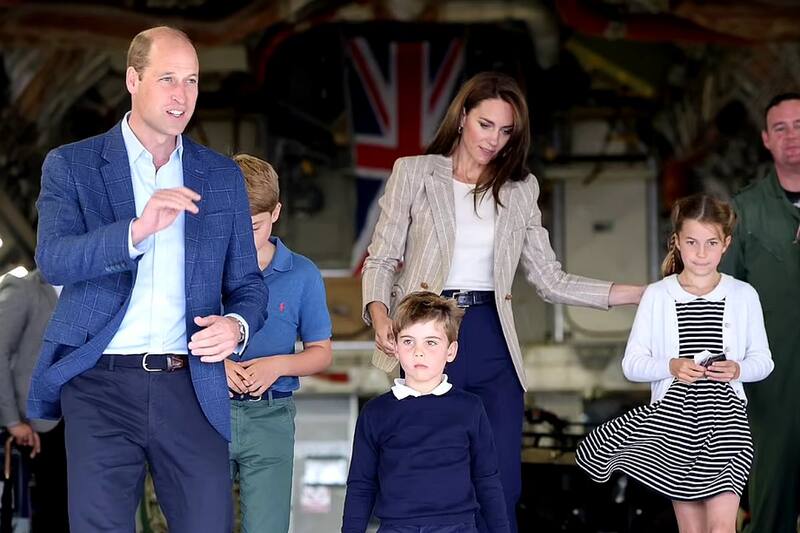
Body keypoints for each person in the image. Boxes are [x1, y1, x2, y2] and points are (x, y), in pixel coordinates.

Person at [360, 71, 644, 531]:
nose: (494, 139)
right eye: (485, 124)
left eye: (506, 130)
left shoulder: (518, 189)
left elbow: (550, 279)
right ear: (462, 117)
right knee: (428, 478)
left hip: (493, 337)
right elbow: (382, 257)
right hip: (428, 336)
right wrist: (378, 315)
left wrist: (640, 295)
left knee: (500, 484)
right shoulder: (413, 172)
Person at [26, 26, 268, 532]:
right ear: (133, 80)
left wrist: (237, 326)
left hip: (191, 384)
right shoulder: (73, 165)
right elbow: (54, 260)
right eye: (167, 79)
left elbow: (248, 284)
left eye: (192, 81)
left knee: (208, 525)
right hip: (99, 384)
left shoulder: (220, 177)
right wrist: (136, 230)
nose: (182, 96)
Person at [576, 194, 774, 532]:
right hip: (674, 424)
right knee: (692, 530)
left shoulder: (744, 295)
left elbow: (764, 361)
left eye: (711, 243)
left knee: (722, 528)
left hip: (727, 421)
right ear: (677, 242)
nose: (701, 253)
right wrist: (672, 366)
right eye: (692, 242)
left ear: (725, 244)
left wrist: (738, 369)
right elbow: (633, 364)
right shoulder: (658, 295)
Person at [226, 153, 333, 533]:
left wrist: (278, 365)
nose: (241, 237)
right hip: (208, 412)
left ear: (275, 213)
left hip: (271, 417)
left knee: (267, 527)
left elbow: (321, 352)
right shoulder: (204, 268)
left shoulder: (302, 274)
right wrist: (218, 366)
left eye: (252, 226)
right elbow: (177, 335)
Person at [343, 291, 509, 533]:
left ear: (451, 351)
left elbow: (487, 480)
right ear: (395, 347)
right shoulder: (375, 413)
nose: (418, 352)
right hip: (395, 528)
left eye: (431, 342)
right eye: (408, 341)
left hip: (457, 528)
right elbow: (361, 485)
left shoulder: (470, 408)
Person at [720, 92, 800, 533]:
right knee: (771, 509)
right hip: (772, 395)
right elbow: (719, 303)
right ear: (767, 140)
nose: (793, 137)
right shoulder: (744, 212)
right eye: (782, 128)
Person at [0, 270, 68, 532]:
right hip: (34, 425)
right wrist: (13, 421)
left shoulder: (84, 292)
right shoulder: (23, 289)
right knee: (44, 510)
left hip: (75, 420)